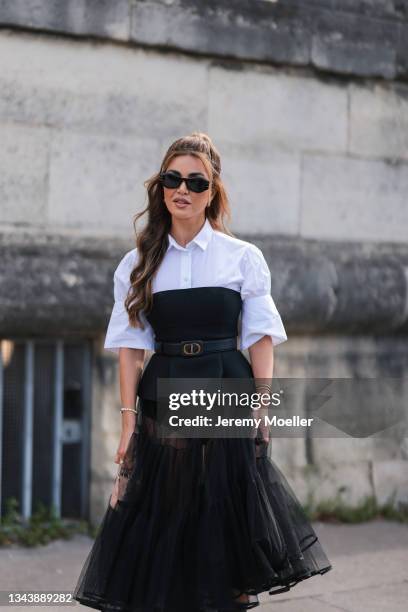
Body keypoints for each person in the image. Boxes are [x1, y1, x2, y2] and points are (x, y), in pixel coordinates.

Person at [73, 132, 332, 611]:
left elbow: (259, 336)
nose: (183, 189)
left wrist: (262, 405)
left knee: (225, 518)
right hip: (164, 393)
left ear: (212, 192)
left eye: (196, 181)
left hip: (226, 388)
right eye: (174, 178)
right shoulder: (136, 264)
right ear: (161, 186)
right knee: (169, 513)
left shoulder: (243, 257)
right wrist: (128, 421)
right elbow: (130, 349)